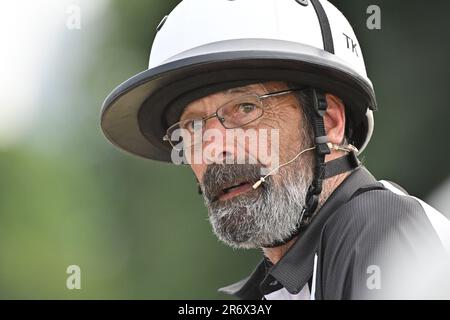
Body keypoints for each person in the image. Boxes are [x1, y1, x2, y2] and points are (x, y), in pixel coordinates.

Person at [100, 0, 450, 299]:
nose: (212, 150)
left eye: (245, 108)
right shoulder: (282, 283)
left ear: (328, 123)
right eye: (191, 128)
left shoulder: (381, 234)